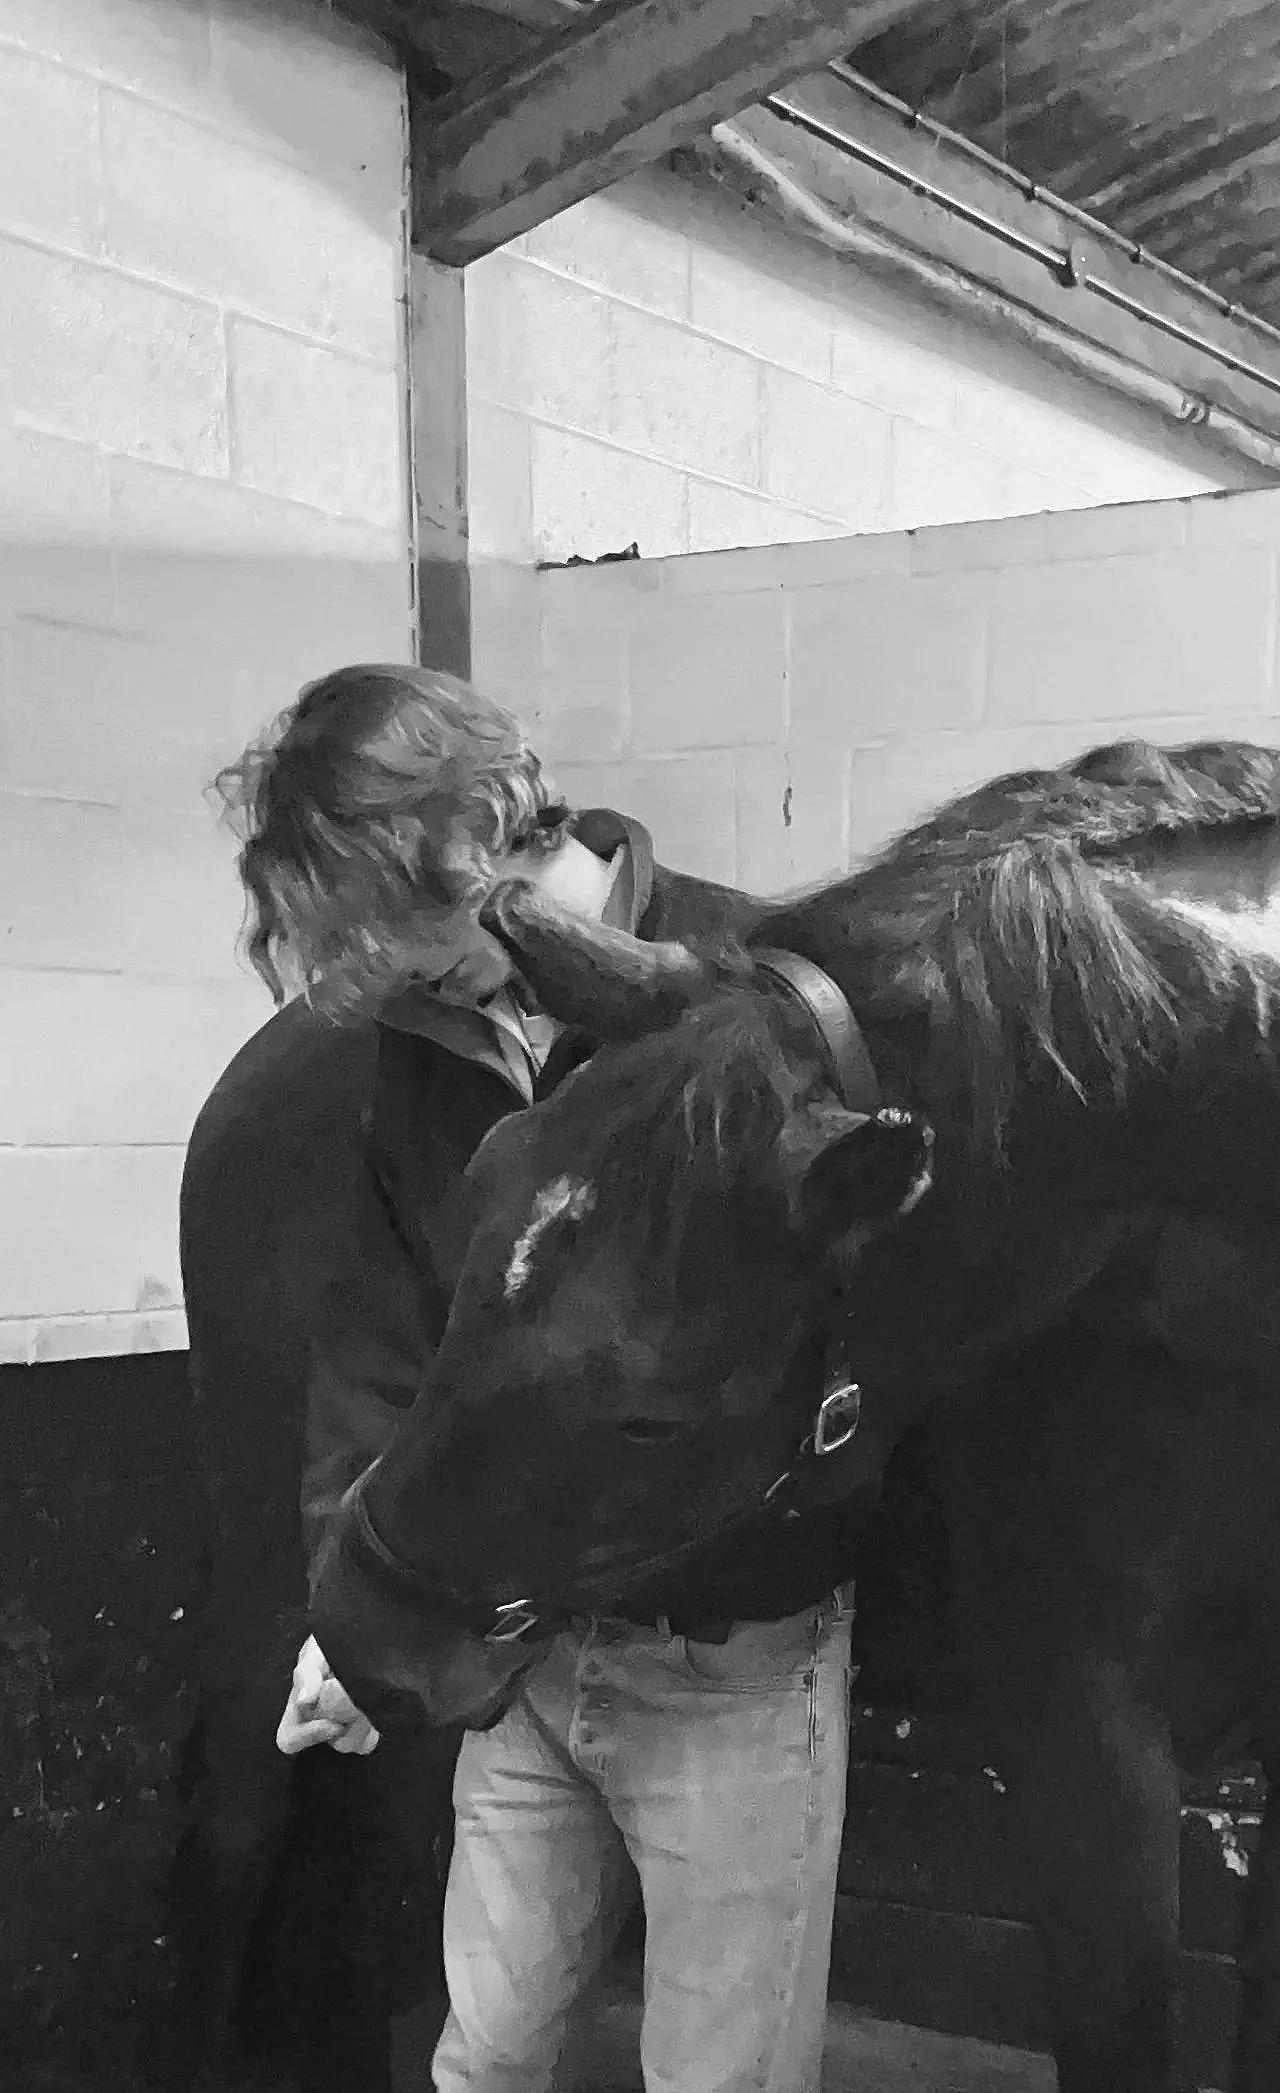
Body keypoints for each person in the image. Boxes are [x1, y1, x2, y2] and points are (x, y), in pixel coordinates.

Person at [214, 663, 858, 2093]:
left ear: (498, 823)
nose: (398, 964)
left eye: (407, 918)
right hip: (524, 1663)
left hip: (727, 1660)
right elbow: (381, 1360)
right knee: (481, 2064)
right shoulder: (415, 1057)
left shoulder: (746, 980)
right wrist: (359, 1624)